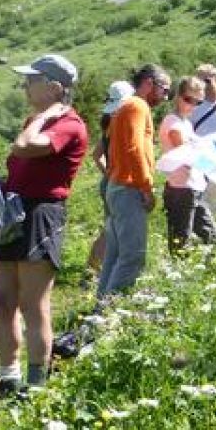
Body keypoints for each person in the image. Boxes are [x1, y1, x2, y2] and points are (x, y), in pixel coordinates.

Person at [0, 54, 88, 396]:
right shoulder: (38, 120)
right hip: (13, 213)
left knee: (33, 303)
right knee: (2, 300)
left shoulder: (68, 124)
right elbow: (22, 165)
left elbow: (25, 147)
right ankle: (7, 376)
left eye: (32, 80)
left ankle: (37, 383)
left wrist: (45, 116)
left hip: (41, 214)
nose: (24, 86)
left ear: (54, 88)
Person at [96, 64, 170, 299]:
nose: (166, 96)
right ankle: (109, 315)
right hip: (128, 189)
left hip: (118, 186)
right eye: (164, 90)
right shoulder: (137, 106)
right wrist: (146, 187)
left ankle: (100, 310)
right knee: (133, 256)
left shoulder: (125, 107)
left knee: (115, 255)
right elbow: (134, 149)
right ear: (149, 83)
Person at [160, 76, 216, 253]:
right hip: (181, 189)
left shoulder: (185, 123)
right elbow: (186, 154)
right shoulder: (173, 123)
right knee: (181, 241)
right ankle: (177, 277)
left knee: (210, 234)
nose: (192, 106)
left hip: (193, 186)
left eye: (198, 102)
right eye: (188, 100)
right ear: (178, 96)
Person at [85, 80, 134, 282]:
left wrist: (107, 173)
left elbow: (96, 155)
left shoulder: (107, 124)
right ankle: (93, 269)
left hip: (109, 180)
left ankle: (95, 268)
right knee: (111, 229)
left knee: (110, 227)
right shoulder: (118, 124)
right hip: (117, 181)